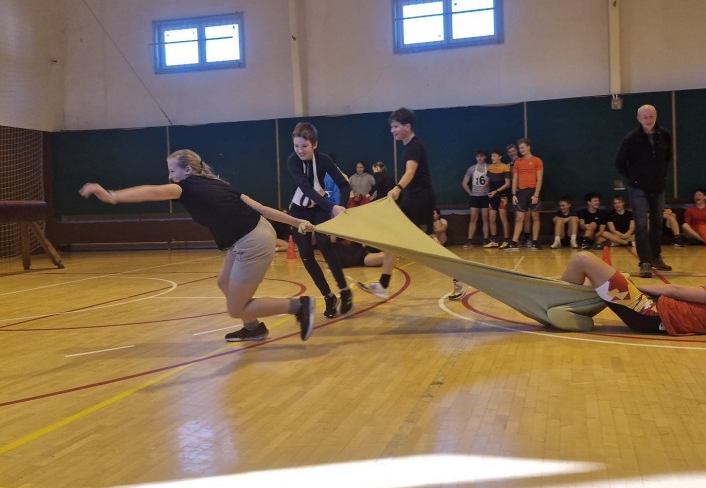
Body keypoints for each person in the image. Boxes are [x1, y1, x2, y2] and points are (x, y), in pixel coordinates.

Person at [79, 149, 315, 343]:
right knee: (223, 282)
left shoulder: (186, 186)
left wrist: (112, 196)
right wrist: (297, 222)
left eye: (172, 170)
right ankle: (253, 328)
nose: (170, 176)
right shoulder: (219, 184)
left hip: (252, 242)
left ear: (188, 170)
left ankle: (299, 306)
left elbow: (154, 191)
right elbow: (261, 208)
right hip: (252, 234)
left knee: (236, 309)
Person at [359, 108, 465, 300]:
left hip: (422, 200)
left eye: (395, 126)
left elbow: (410, 172)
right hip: (413, 200)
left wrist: (397, 188)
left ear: (407, 126)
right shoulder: (409, 146)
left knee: (430, 244)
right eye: (391, 126)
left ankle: (460, 276)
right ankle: (383, 285)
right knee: (392, 237)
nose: (392, 130)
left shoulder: (414, 147)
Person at [559, 250, 706, 335]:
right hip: (652, 315)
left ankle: (556, 303)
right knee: (593, 277)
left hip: (650, 311)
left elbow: (675, 290)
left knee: (583, 259)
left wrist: (634, 286)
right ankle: (570, 313)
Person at [288, 123, 354, 319]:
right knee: (306, 255)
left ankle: (344, 290)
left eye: (304, 146)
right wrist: (332, 207)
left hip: (319, 209)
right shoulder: (292, 161)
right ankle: (328, 296)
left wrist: (341, 206)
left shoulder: (324, 160)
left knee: (326, 245)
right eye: (296, 146)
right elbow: (307, 190)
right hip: (299, 211)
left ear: (314, 144)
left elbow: (344, 185)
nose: (300, 150)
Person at [615, 104, 673, 278]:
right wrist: (634, 178)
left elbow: (667, 158)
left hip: (658, 187)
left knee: (657, 223)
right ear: (639, 119)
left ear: (656, 116)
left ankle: (656, 257)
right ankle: (645, 262)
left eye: (651, 116)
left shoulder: (664, 135)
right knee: (641, 224)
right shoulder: (631, 138)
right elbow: (619, 163)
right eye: (645, 117)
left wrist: (659, 175)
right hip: (638, 188)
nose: (648, 120)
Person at [507, 138, 544, 250]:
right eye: (520, 148)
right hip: (521, 193)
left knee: (535, 216)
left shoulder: (537, 161)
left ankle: (535, 241)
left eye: (523, 147)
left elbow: (540, 179)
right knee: (519, 217)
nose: (521, 150)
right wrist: (513, 194)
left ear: (528, 147)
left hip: (533, 191)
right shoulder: (517, 162)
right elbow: (515, 179)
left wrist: (536, 195)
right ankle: (514, 242)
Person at [461, 150, 491, 247]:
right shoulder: (472, 168)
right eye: (477, 156)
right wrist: (471, 193)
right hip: (475, 197)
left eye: (481, 156)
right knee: (473, 218)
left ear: (485, 157)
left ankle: (486, 240)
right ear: (475, 158)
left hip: (485, 197)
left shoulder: (490, 167)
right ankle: (470, 240)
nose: (479, 158)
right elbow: (464, 183)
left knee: (485, 218)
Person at [486, 148, 512, 249]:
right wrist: (483, 187)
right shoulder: (490, 167)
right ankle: (494, 241)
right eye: (491, 156)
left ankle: (506, 241)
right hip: (492, 197)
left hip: (502, 196)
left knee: (503, 218)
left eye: (494, 156)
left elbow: (507, 184)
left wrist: (496, 191)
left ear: (500, 157)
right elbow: (488, 181)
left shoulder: (505, 167)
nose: (492, 158)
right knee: (491, 218)